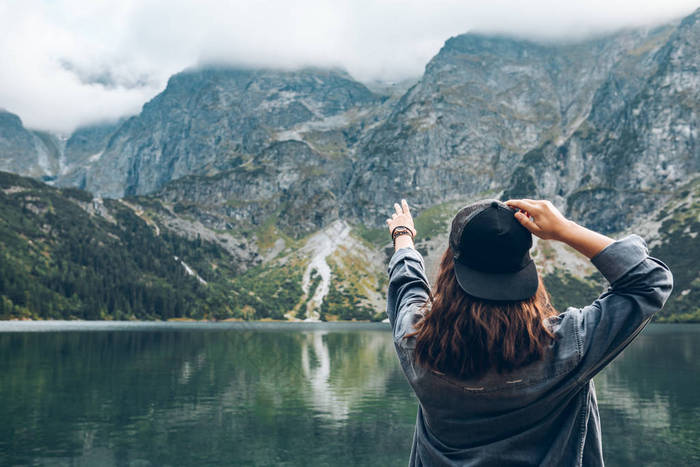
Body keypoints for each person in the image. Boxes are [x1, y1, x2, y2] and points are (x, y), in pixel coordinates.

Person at [385, 198, 673, 466]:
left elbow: (407, 284)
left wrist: (403, 235)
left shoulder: (416, 340)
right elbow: (649, 281)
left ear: (451, 266)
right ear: (525, 272)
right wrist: (565, 230)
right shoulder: (568, 344)